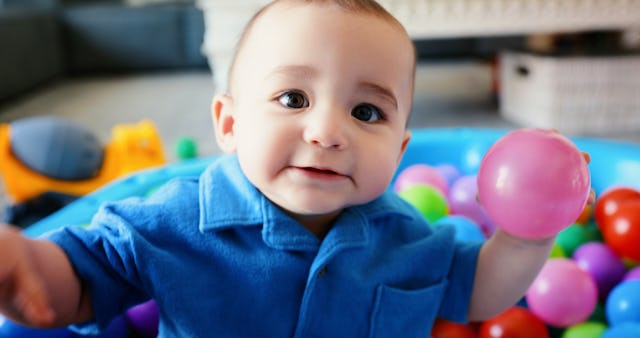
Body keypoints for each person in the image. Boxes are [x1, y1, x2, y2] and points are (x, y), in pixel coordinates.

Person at [0, 0, 590, 337]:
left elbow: (475, 293)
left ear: (401, 152)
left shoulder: (403, 233)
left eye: (366, 111)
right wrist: (25, 265)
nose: (329, 132)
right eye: (293, 99)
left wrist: (527, 231)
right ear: (228, 125)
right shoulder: (173, 222)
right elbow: (75, 282)